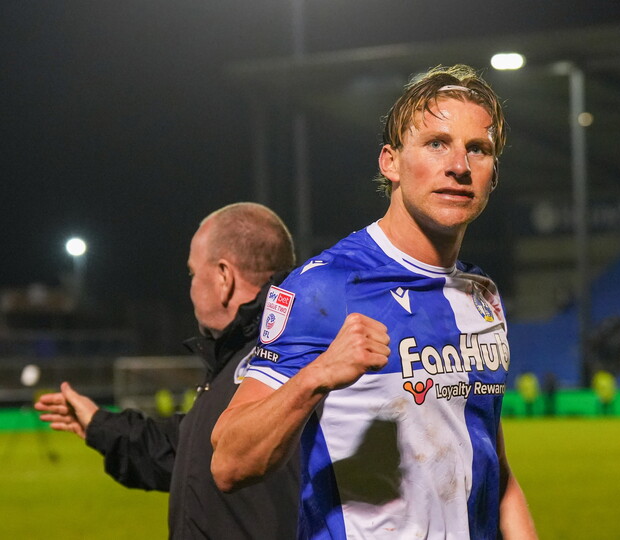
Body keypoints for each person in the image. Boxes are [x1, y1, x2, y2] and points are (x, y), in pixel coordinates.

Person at [210, 65, 538, 539]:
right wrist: (319, 374)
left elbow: (494, 466)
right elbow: (230, 461)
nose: (459, 166)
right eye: (436, 143)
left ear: (492, 174)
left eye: (478, 149)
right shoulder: (324, 288)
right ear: (391, 162)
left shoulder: (480, 295)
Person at [35, 202, 301, 539]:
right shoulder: (243, 354)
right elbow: (189, 454)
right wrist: (101, 425)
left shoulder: (281, 359)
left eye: (193, 273)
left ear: (224, 277)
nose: (190, 286)